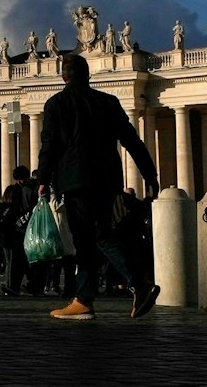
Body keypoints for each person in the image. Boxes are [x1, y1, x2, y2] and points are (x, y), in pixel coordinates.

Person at [35, 53, 162, 320]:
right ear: (88, 75)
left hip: (76, 180)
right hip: (107, 179)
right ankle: (85, 299)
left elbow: (50, 146)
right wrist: (150, 174)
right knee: (94, 237)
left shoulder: (56, 104)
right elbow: (131, 141)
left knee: (93, 237)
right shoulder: (108, 102)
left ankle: (136, 283)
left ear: (63, 77)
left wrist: (43, 180)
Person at [0, 169, 38, 296]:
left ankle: (33, 285)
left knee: (32, 259)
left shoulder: (35, 188)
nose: (20, 182)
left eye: (21, 179)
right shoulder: (17, 189)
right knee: (18, 259)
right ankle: (14, 286)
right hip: (18, 229)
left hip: (33, 226)